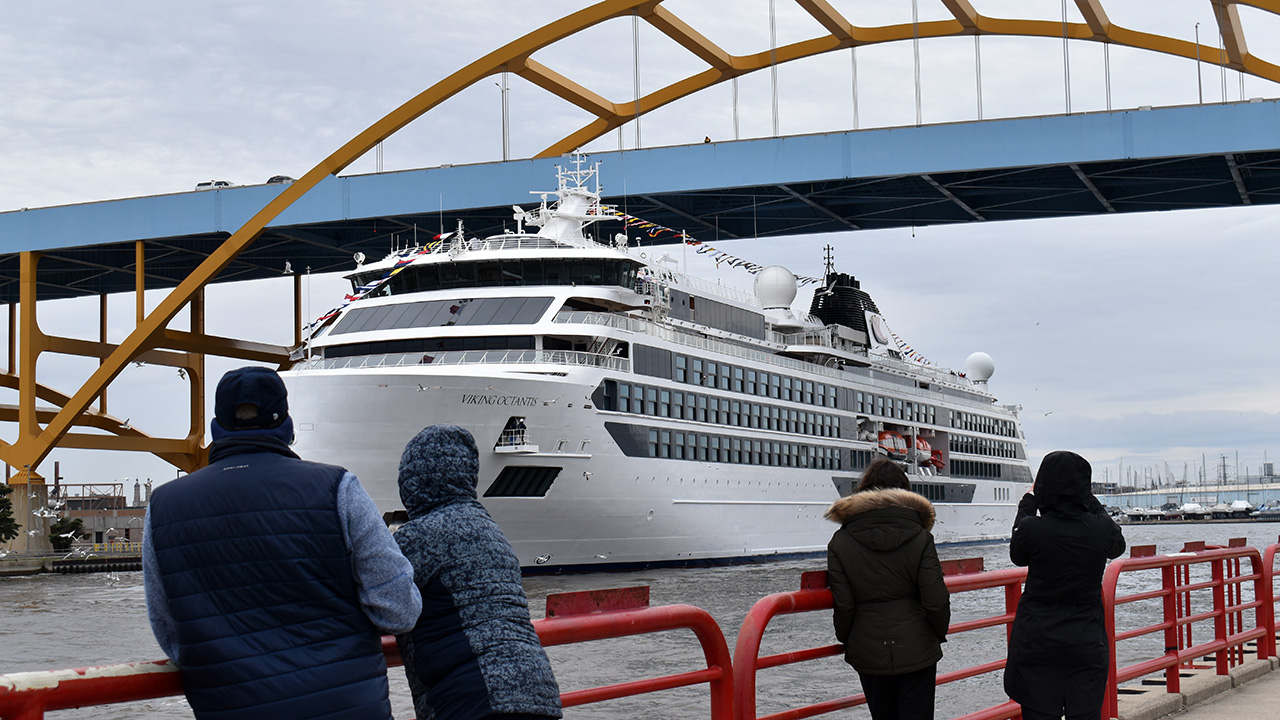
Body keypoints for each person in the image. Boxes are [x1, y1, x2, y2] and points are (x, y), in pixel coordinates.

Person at [144, 366, 421, 720]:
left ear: (217, 428)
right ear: (286, 425)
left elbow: (170, 633)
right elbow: (399, 610)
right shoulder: (338, 487)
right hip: (345, 707)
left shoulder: (164, 505)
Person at [394, 424, 561, 720]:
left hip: (474, 696)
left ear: (412, 480)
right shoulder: (490, 529)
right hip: (537, 690)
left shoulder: (417, 536)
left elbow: (378, 599)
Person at [1004, 450, 1126, 720]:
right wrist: (1086, 499)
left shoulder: (1033, 529)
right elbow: (1117, 544)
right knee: (1085, 713)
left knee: (1038, 713)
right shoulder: (1099, 530)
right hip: (1085, 639)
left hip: (1038, 639)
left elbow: (1017, 554)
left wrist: (1028, 501)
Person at [825, 458, 950, 720]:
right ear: (904, 493)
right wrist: (934, 634)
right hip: (917, 646)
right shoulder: (920, 537)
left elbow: (844, 604)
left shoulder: (841, 541)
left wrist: (848, 639)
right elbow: (935, 600)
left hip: (867, 648)